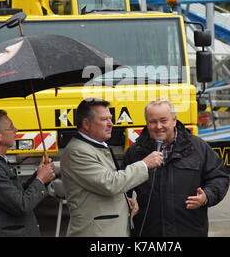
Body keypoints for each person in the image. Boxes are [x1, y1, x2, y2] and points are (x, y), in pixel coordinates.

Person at [123, 99, 230, 237]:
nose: (158, 126)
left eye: (163, 120)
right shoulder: (135, 152)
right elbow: (122, 185)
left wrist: (207, 196)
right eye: (152, 122)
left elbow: (219, 177)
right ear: (147, 123)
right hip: (148, 233)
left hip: (189, 231)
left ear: (174, 120)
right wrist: (127, 201)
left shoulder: (197, 147)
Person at [59, 98, 164, 237]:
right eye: (104, 119)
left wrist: (123, 202)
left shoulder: (94, 146)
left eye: (110, 118)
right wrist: (144, 164)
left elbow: (97, 188)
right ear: (86, 123)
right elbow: (109, 183)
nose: (111, 124)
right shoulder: (77, 152)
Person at [0, 110, 55, 237]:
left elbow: (14, 193)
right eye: (11, 127)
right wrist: (40, 180)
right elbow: (21, 205)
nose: (16, 130)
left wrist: (39, 175)